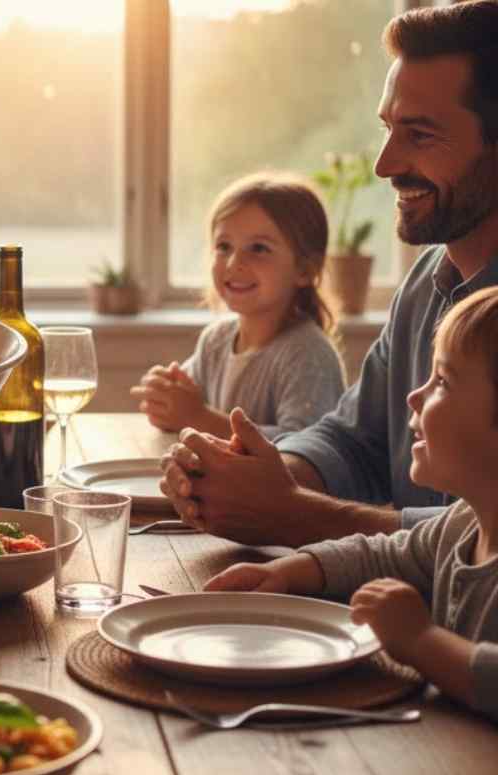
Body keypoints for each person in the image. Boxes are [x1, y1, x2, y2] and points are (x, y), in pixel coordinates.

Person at [158, 1, 498, 547]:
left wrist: (297, 515)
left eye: (420, 134)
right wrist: (254, 472)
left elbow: (487, 541)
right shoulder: (426, 281)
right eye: (388, 129)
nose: (384, 164)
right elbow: (354, 440)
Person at [205, 287, 498, 722]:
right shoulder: (463, 524)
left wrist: (420, 641)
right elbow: (383, 553)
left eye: (442, 382)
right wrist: (287, 572)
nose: (413, 397)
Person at [131, 173, 344, 440]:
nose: (234, 263)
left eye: (258, 248)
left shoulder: (308, 355)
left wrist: (198, 417)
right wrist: (165, 397)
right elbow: (184, 409)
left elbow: (303, 449)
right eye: (223, 246)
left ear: (304, 270)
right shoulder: (215, 341)